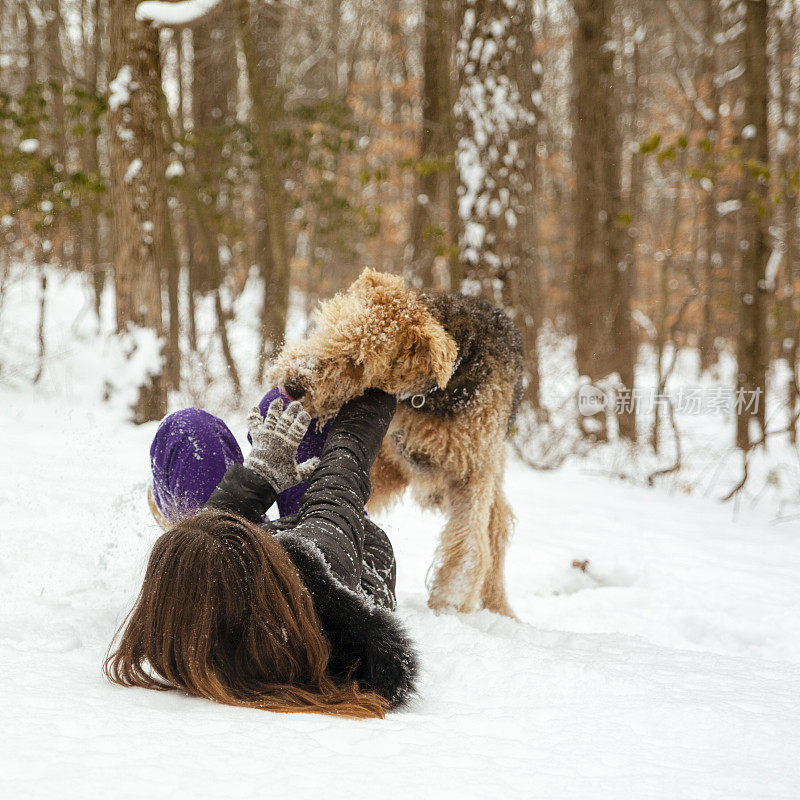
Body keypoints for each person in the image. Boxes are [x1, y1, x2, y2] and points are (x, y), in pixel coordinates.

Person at [105, 389, 417, 719]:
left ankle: (182, 506)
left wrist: (259, 477)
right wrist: (382, 382)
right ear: (260, 561)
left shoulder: (184, 632)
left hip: (247, 561)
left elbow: (210, 553)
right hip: (342, 537)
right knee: (296, 409)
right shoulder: (319, 575)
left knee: (192, 428)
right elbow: (340, 481)